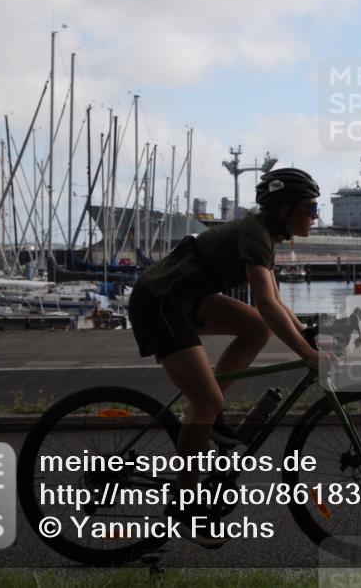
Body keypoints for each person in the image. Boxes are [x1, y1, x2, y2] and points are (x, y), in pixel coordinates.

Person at [126, 167, 336, 546]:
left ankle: (211, 415)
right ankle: (184, 508)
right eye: (311, 208)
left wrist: (307, 335)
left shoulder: (263, 235)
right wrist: (306, 353)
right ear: (284, 209)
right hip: (160, 301)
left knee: (256, 329)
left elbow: (276, 303)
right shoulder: (255, 233)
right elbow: (266, 303)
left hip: (187, 299)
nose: (315, 216)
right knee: (205, 402)